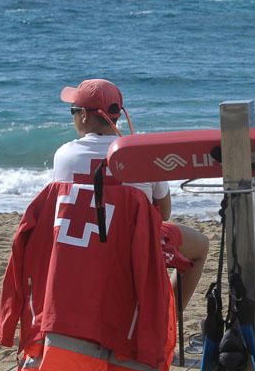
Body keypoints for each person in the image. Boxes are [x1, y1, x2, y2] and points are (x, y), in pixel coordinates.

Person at [53, 78, 208, 307]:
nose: (73, 116)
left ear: (85, 115)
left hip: (82, 244)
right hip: (135, 246)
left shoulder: (64, 155)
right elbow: (164, 213)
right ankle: (166, 320)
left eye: (73, 111)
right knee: (201, 246)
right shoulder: (141, 154)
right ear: (118, 114)